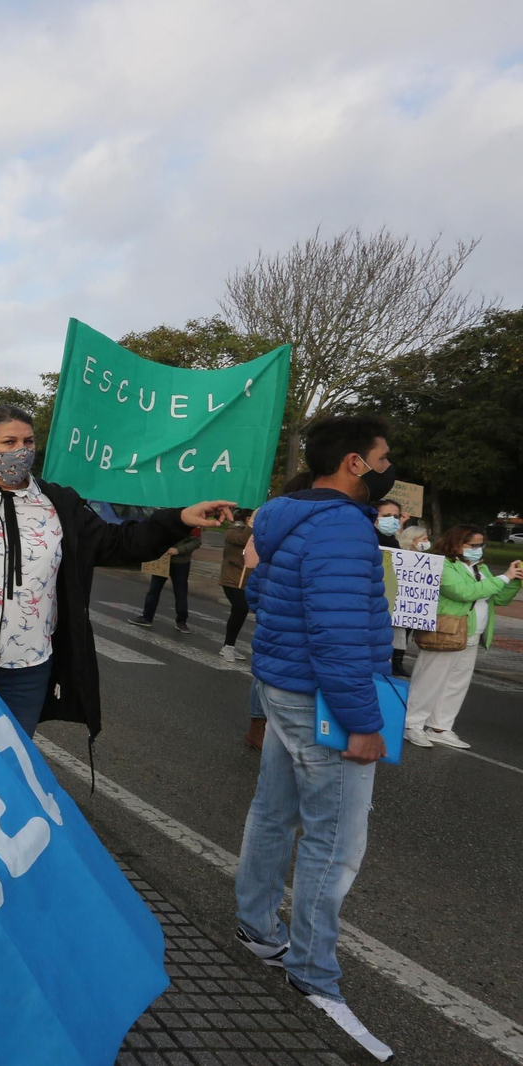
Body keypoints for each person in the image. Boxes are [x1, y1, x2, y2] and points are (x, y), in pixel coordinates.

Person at [0, 404, 234, 737]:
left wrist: (177, 520)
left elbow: (118, 542)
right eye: (9, 442)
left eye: (28, 442)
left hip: (28, 669)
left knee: (14, 764)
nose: (22, 451)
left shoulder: (57, 502)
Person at [234, 414, 396, 1062]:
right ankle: (312, 972)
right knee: (334, 837)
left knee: (274, 813)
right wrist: (363, 722)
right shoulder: (342, 530)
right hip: (323, 700)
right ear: (355, 463)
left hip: (284, 686)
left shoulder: (284, 518)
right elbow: (338, 635)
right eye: (383, 457)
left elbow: (270, 600)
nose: (389, 467)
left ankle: (255, 926)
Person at [402, 526, 522, 749]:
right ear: (456, 544)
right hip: (446, 631)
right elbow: (463, 592)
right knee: (429, 680)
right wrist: (503, 577)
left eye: (481, 545)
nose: (478, 549)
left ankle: (440, 727)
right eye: (473, 545)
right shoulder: (443, 565)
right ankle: (412, 724)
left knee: (457, 683)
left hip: (472, 632)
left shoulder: (481, 567)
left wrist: (513, 579)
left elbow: (499, 598)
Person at [240, 473, 316, 751]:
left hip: (285, 623)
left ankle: (266, 729)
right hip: (286, 625)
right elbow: (257, 586)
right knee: (268, 674)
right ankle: (258, 726)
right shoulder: (284, 533)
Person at [129, 527, 200, 632]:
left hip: (181, 562)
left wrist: (178, 550)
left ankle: (181, 621)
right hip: (162, 559)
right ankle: (147, 617)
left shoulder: (192, 522)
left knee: (180, 592)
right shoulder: (165, 519)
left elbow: (196, 542)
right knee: (154, 590)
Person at [371, 498, 410, 676]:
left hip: (385, 614)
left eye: (396, 516)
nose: (393, 520)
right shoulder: (367, 539)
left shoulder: (393, 543)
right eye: (387, 515)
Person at [219, 509, 254, 663]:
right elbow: (242, 541)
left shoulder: (254, 534)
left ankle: (229, 645)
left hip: (245, 580)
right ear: (248, 519)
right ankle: (228, 646)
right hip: (231, 578)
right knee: (241, 608)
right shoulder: (234, 530)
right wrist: (252, 525)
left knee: (239, 610)